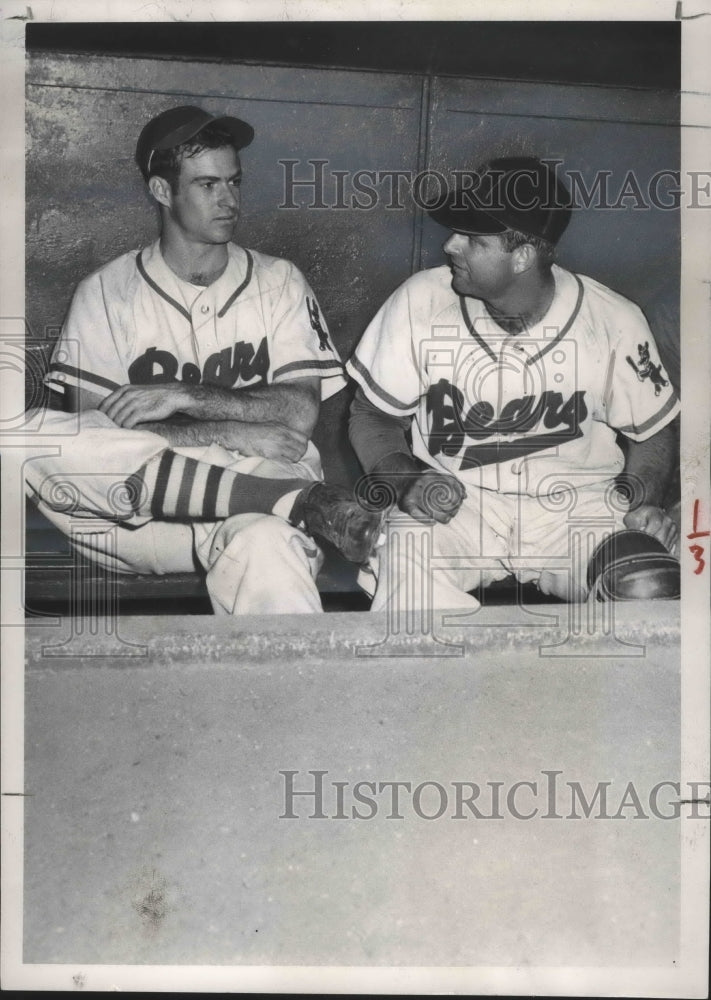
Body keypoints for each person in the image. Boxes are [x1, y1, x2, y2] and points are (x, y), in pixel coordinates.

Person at [32, 105, 382, 615]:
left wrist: (185, 396)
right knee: (34, 438)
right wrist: (232, 432)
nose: (229, 200)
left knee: (266, 545)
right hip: (143, 525)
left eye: (234, 183)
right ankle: (285, 500)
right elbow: (101, 443)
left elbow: (298, 414)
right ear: (161, 191)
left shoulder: (279, 280)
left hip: (250, 514)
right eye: (208, 185)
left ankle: (298, 689)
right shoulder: (105, 292)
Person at [347, 156, 680, 610]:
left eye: (473, 238)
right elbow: (371, 416)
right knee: (403, 566)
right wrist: (406, 478)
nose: (450, 245)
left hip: (575, 509)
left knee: (645, 584)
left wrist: (642, 497)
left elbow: (654, 430)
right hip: (457, 504)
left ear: (522, 256)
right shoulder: (421, 299)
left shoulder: (613, 320)